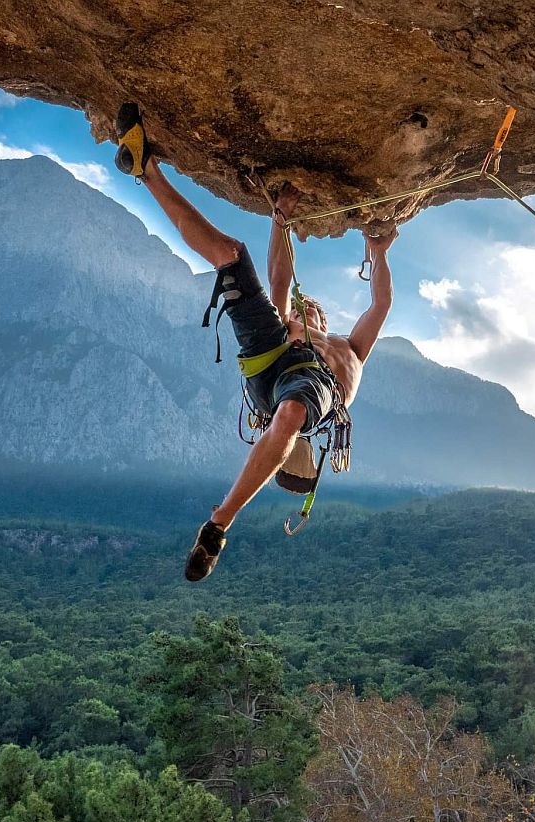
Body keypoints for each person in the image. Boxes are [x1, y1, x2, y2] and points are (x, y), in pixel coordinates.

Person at [113, 103, 397, 581]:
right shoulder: (298, 325)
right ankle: (146, 169)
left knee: (290, 414)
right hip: (282, 362)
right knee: (231, 255)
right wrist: (282, 219)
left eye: (315, 312)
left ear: (322, 316)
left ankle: (217, 526)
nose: (313, 310)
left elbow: (379, 305)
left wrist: (373, 259)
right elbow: (284, 281)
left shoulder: (350, 350)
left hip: (293, 386)